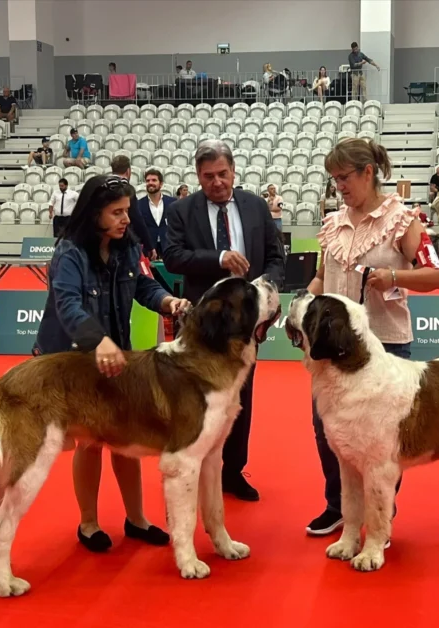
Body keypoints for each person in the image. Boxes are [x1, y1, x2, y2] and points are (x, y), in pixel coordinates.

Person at [34, 174, 190, 553]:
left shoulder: (126, 247)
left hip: (116, 356)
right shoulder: (69, 253)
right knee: (90, 442)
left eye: (127, 211)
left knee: (126, 437)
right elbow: (67, 305)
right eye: (116, 212)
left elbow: (143, 286)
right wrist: (97, 339)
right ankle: (88, 523)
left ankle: (136, 518)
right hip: (71, 361)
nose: (125, 219)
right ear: (94, 214)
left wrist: (168, 302)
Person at [305, 138, 439, 536]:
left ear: (369, 173)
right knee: (327, 430)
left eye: (344, 177)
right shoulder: (332, 224)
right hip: (331, 350)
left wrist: (394, 277)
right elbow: (320, 277)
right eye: (334, 180)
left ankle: (380, 508)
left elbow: (435, 275)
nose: (340, 187)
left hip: (386, 346)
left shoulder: (404, 219)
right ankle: (338, 505)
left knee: (383, 440)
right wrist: (302, 303)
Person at [163, 139, 285, 501]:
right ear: (198, 176)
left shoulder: (256, 206)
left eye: (222, 174)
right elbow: (172, 257)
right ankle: (193, 464)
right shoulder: (182, 210)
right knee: (196, 401)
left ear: (233, 170)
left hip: (245, 326)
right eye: (208, 176)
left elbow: (277, 256)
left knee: (238, 399)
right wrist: (218, 259)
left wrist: (266, 288)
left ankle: (232, 471)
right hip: (203, 325)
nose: (216, 182)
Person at [110, 155, 156, 260]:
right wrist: (149, 245)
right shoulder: (126, 189)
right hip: (124, 241)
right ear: (128, 171)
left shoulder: (103, 186)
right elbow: (136, 218)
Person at [138, 168, 176, 259]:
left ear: (161, 184)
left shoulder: (173, 203)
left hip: (168, 249)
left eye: (154, 180)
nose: (150, 182)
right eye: (148, 181)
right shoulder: (138, 204)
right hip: (148, 250)